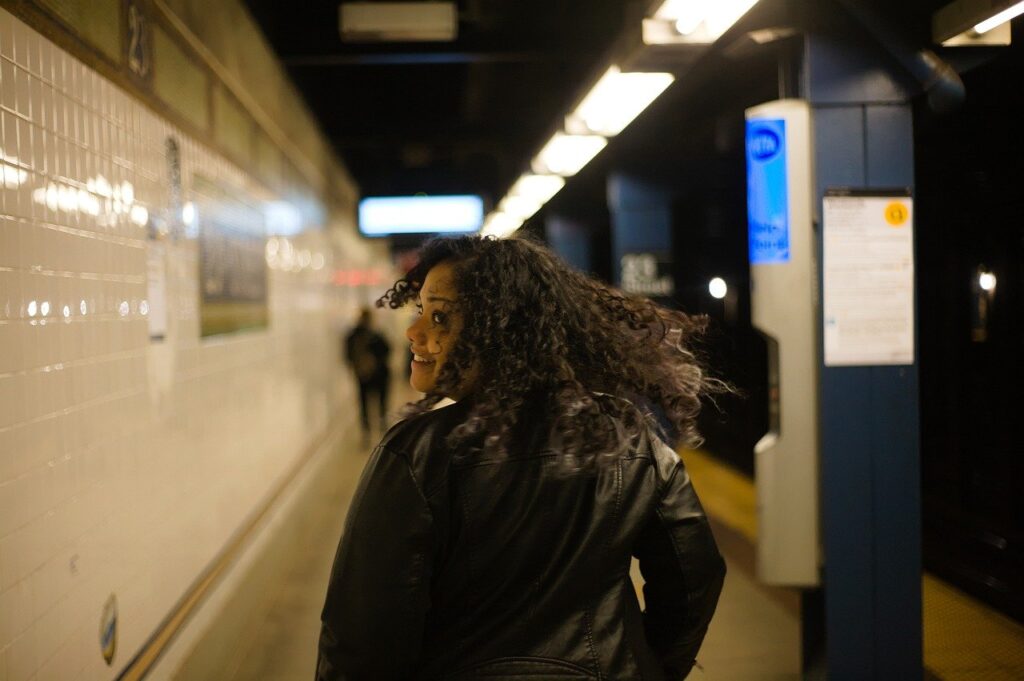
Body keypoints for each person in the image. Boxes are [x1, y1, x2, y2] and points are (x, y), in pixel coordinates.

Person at [318, 235, 728, 680]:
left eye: (440, 317)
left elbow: (363, 636)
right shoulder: (628, 437)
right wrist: (648, 668)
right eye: (420, 311)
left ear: (499, 331)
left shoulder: (415, 454)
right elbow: (695, 576)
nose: (415, 333)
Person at [343, 307, 391, 439]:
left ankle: (369, 429)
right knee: (377, 402)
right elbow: (387, 351)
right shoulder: (375, 335)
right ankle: (374, 427)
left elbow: (348, 356)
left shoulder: (356, 336)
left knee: (367, 403)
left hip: (367, 375)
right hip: (373, 375)